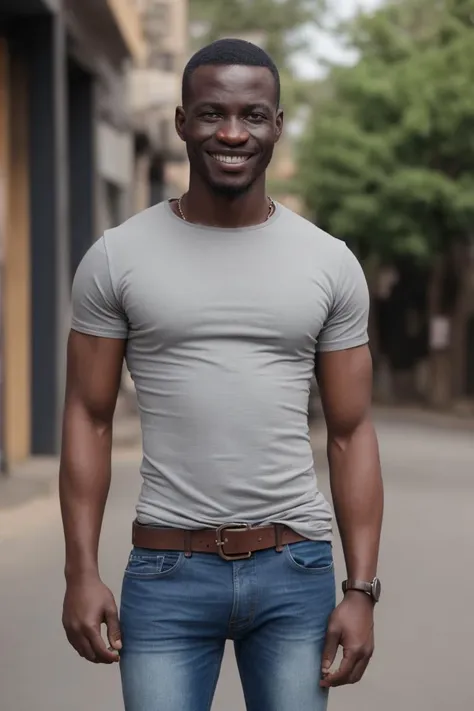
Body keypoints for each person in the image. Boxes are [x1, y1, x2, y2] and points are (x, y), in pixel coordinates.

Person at [60, 38, 384, 711]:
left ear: (277, 125)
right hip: (165, 570)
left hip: (296, 569)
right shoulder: (116, 258)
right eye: (211, 113)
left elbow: (352, 431)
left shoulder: (328, 263)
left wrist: (361, 588)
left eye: (252, 115)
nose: (232, 132)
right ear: (182, 122)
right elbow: (87, 415)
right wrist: (81, 571)